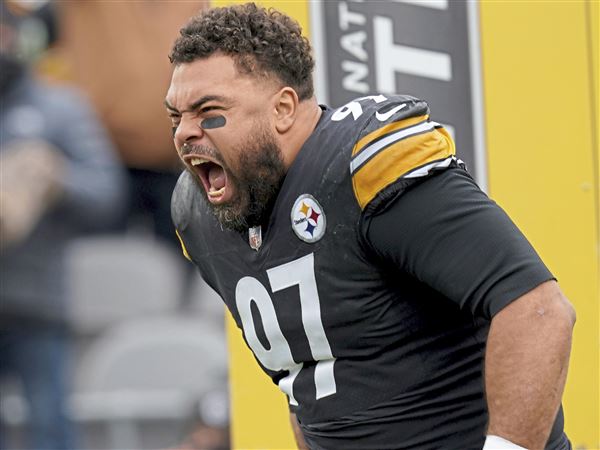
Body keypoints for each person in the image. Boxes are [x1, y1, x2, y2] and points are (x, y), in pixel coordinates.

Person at [166, 3, 575, 449]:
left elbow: (538, 310)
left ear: (283, 108)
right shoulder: (199, 215)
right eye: (175, 116)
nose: (185, 132)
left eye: (207, 110)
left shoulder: (363, 169)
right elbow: (309, 384)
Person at [0, 2, 126, 448]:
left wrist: (57, 178)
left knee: (51, 431)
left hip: (38, 304)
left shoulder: (60, 107)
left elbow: (108, 194)